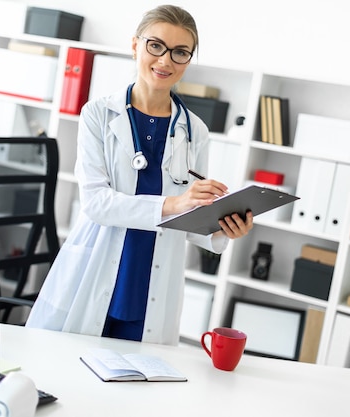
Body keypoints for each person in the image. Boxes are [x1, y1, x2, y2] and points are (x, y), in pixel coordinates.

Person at [26, 4, 253, 345]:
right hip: (97, 269)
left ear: (189, 60)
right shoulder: (98, 115)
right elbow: (97, 204)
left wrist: (221, 228)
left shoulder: (196, 131)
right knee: (70, 375)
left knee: (134, 385)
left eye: (180, 52)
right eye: (155, 46)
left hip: (151, 279)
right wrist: (176, 203)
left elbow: (188, 216)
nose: (165, 61)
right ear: (135, 45)